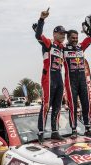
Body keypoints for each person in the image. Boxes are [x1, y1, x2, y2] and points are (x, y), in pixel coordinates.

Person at [34, 9, 66, 142]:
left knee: (58, 106)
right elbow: (38, 36)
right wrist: (41, 20)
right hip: (49, 77)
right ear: (54, 34)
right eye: (61, 33)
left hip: (59, 77)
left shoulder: (63, 48)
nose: (63, 35)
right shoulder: (49, 43)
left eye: (64, 34)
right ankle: (41, 132)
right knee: (46, 105)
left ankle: (54, 131)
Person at [63, 29, 91, 137]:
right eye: (73, 38)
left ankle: (88, 128)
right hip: (71, 81)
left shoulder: (81, 47)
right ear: (68, 38)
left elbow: (90, 38)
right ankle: (73, 130)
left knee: (86, 105)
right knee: (73, 106)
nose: (75, 40)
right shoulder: (63, 48)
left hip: (82, 81)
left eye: (76, 38)